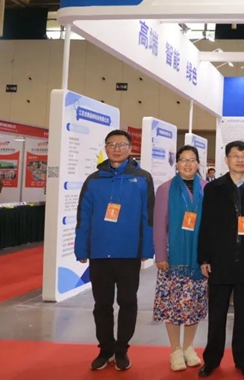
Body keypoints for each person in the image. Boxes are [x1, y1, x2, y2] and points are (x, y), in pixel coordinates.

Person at [74, 129, 154, 371]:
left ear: (130, 148)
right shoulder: (93, 180)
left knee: (128, 302)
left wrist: (147, 248)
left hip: (129, 254)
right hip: (99, 253)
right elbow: (83, 215)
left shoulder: (142, 178)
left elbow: (148, 216)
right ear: (106, 148)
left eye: (122, 145)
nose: (117, 149)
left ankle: (121, 350)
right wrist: (81, 248)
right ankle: (105, 348)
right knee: (102, 304)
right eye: (112, 144)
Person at [198, 141, 244, 378]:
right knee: (217, 314)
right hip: (220, 260)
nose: (240, 160)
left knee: (243, 315)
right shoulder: (214, 188)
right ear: (226, 159)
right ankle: (211, 360)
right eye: (235, 156)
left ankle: (243, 360)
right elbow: (206, 225)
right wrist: (204, 257)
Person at [153, 145, 207, 372]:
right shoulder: (165, 189)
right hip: (172, 257)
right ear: (176, 164)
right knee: (172, 305)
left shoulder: (207, 188)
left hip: (198, 258)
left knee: (194, 304)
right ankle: (175, 350)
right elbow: (159, 225)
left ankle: (188, 347)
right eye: (183, 160)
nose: (188, 164)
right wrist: (160, 254)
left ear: (198, 163)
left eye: (192, 159)